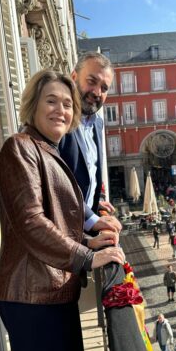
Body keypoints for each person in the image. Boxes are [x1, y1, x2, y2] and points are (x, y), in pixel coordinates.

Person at [0, 70, 125, 351]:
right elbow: (32, 222)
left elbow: (55, 221)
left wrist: (89, 241)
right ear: (32, 104)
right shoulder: (19, 149)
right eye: (52, 100)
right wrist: (87, 257)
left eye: (67, 104)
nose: (62, 110)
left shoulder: (44, 148)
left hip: (52, 292)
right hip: (31, 298)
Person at [59, 52, 121, 234]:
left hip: (82, 226)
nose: (97, 92)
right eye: (91, 81)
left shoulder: (97, 122)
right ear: (73, 77)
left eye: (104, 87)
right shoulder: (58, 119)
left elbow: (90, 172)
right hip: (63, 230)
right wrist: (92, 220)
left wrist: (96, 199)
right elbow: (57, 185)